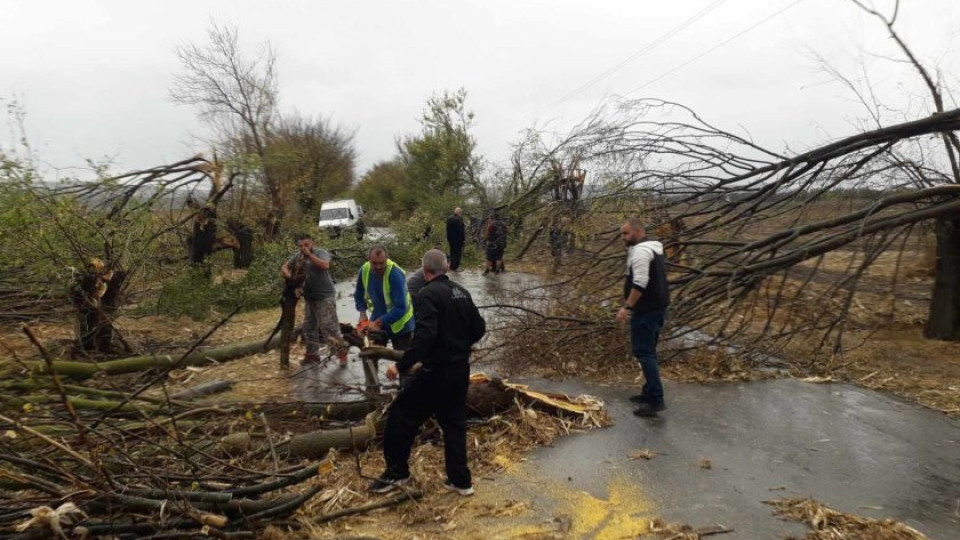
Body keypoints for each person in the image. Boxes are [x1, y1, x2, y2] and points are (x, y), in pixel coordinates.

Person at [367, 249, 486, 496]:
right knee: (454, 424)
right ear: (447, 267)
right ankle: (461, 481)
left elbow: (424, 336)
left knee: (401, 416)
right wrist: (460, 345)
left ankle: (397, 474)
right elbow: (479, 327)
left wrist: (400, 365)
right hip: (459, 370)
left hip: (436, 372)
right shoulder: (461, 292)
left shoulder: (426, 294)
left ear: (424, 269)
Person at [615, 218, 671, 416]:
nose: (623, 237)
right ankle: (648, 393)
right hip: (655, 308)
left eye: (626, 233)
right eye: (622, 233)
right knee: (649, 352)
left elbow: (640, 283)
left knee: (644, 353)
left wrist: (626, 307)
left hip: (647, 311)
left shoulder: (641, 251)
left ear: (638, 232)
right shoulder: (650, 248)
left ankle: (655, 400)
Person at [281, 234, 348, 366]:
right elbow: (285, 267)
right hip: (309, 297)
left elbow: (325, 265)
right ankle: (312, 355)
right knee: (309, 327)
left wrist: (310, 255)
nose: (303, 248)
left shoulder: (320, 252)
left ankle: (341, 354)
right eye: (300, 246)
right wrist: (290, 276)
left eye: (306, 245)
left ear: (312, 243)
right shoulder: (298, 256)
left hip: (324, 296)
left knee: (329, 327)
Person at [353, 245, 415, 350]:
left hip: (401, 324)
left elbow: (400, 307)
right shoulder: (364, 270)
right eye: (374, 263)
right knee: (369, 351)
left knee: (403, 360)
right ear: (368, 259)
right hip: (378, 316)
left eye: (381, 263)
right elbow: (359, 293)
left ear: (387, 259)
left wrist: (378, 323)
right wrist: (362, 314)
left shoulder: (395, 274)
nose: (378, 267)